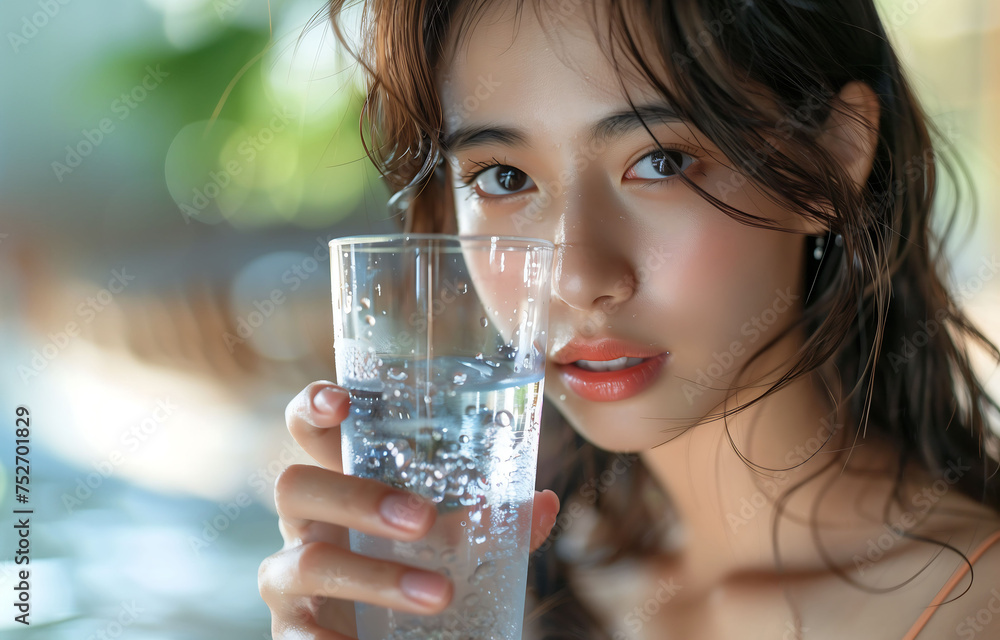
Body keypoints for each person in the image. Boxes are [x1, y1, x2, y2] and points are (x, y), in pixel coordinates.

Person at [258, 1, 1000, 638]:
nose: (579, 279)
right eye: (505, 178)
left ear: (834, 154)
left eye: (663, 162)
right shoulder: (501, 585)